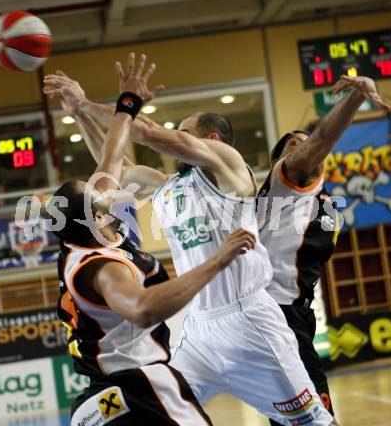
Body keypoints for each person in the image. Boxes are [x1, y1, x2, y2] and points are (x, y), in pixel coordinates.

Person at [44, 56, 335, 425]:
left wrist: (97, 105)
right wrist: (81, 114)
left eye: (183, 132)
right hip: (197, 327)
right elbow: (112, 166)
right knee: (165, 400)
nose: (174, 138)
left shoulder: (230, 170)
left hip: (248, 318)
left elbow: (144, 132)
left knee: (314, 423)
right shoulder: (168, 186)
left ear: (211, 141)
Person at [257, 75, 390, 426]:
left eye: (304, 143)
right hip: (276, 314)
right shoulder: (284, 184)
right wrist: (356, 96)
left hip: (296, 314)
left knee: (292, 418)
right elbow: (324, 137)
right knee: (317, 416)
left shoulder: (326, 204)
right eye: (294, 146)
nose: (303, 149)